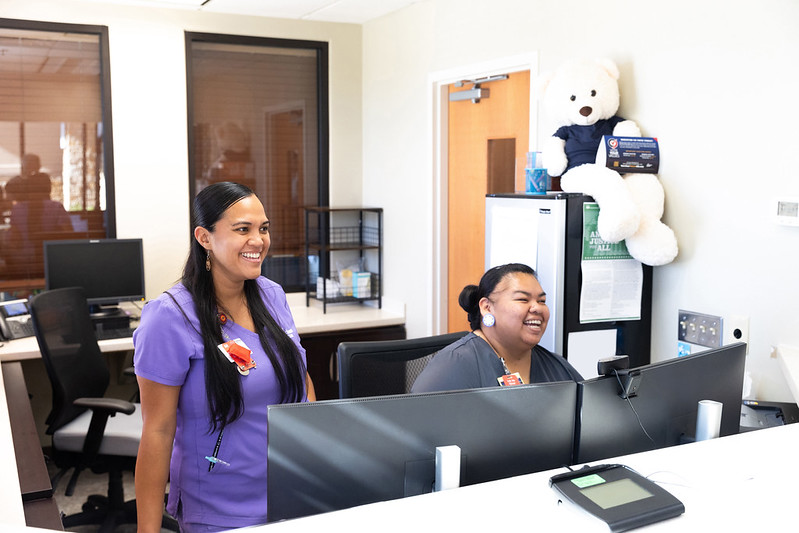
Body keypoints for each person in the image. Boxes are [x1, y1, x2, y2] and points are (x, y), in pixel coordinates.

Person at [133, 182, 315, 533]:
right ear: (204, 238)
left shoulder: (272, 296)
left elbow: (302, 379)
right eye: (242, 229)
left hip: (290, 495)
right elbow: (157, 431)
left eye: (263, 229)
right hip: (220, 509)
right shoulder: (169, 317)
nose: (258, 240)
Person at [411, 263, 582, 393]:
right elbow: (417, 426)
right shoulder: (455, 364)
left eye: (541, 301)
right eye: (523, 299)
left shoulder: (557, 366)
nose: (537, 308)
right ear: (487, 307)